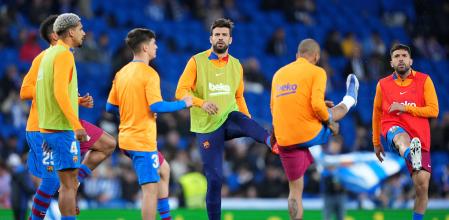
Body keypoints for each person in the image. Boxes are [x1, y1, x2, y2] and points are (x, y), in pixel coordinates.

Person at [175, 18, 276, 220]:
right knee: (215, 179)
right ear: (211, 38)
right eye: (217, 34)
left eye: (224, 35)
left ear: (230, 40)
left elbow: (238, 97)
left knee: (239, 116)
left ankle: (272, 142)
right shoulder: (196, 61)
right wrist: (201, 103)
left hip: (229, 120)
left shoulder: (237, 65)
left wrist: (249, 122)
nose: (220, 38)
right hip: (206, 127)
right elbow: (180, 92)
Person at [20, 15, 116, 220]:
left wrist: (76, 100)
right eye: (80, 28)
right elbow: (26, 92)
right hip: (52, 123)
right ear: (57, 34)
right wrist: (53, 92)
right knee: (54, 181)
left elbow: (60, 91)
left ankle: (74, 183)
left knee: (107, 144)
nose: (83, 32)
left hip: (63, 120)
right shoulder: (49, 56)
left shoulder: (57, 55)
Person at [106, 28, 192, 220]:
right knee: (150, 190)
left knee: (164, 170)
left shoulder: (121, 72)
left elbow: (110, 106)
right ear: (145, 47)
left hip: (128, 137)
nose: (157, 47)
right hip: (140, 140)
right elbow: (157, 106)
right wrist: (184, 103)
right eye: (154, 44)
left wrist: (131, 113)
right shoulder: (149, 73)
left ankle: (166, 217)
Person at [270, 39, 359, 220]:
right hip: (308, 134)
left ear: (297, 56)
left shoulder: (279, 73)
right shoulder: (317, 71)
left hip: (284, 138)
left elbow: (274, 106)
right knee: (333, 112)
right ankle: (350, 99)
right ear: (316, 57)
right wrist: (329, 122)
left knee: (294, 191)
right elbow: (318, 106)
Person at [372, 44, 439, 220]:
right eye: (396, 56)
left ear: (411, 60)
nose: (400, 58)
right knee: (401, 138)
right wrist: (376, 142)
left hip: (420, 136)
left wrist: (406, 108)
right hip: (394, 128)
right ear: (391, 62)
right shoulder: (383, 85)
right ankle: (411, 154)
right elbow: (377, 113)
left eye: (404, 55)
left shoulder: (425, 80)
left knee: (422, 185)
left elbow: (434, 110)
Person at [35, 13, 87, 220]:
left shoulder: (48, 54)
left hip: (49, 127)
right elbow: (59, 93)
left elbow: (43, 92)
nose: (84, 32)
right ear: (71, 32)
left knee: (68, 181)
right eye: (81, 28)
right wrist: (76, 125)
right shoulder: (65, 55)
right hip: (61, 128)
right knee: (68, 184)